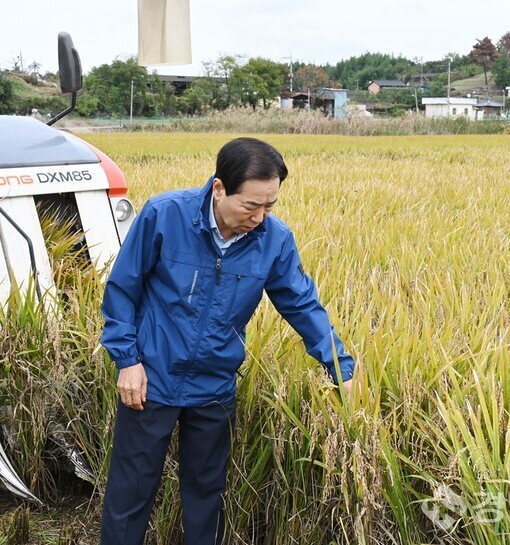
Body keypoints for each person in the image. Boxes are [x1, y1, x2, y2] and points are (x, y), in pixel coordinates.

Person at [100, 137, 355, 544]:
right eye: (251, 205)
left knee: (206, 495)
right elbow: (122, 290)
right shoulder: (165, 215)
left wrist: (340, 366)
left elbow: (302, 305)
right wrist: (127, 360)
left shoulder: (274, 240)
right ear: (219, 188)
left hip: (214, 386)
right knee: (131, 492)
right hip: (150, 379)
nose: (260, 216)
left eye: (270, 205)